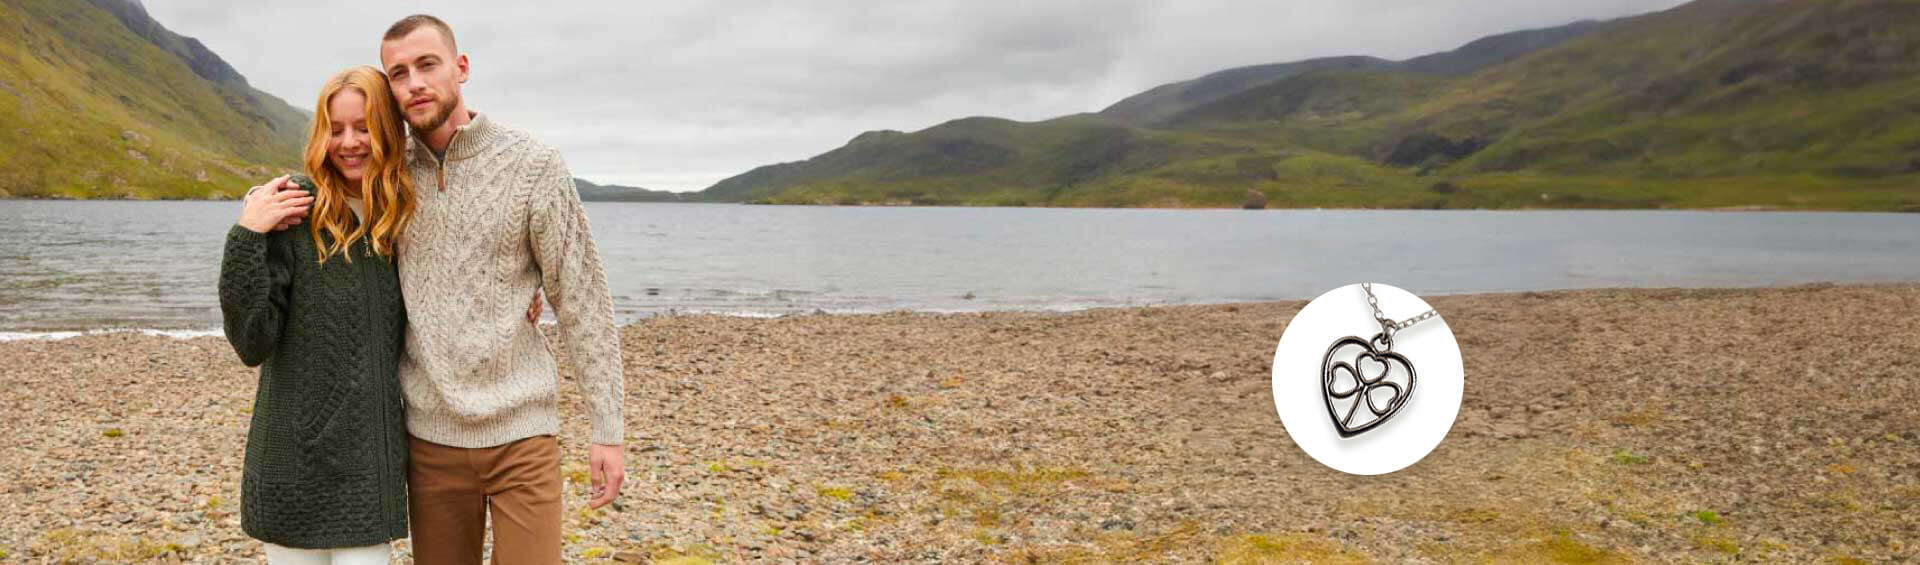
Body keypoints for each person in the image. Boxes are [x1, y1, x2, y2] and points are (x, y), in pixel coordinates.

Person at [378, 14, 628, 564]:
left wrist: (607, 428)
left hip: (523, 436)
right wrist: (258, 215)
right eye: (398, 73)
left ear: (461, 67)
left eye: (427, 64)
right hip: (430, 441)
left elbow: (581, 298)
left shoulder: (533, 164)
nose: (414, 83)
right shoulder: (386, 174)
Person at [217, 65, 416, 565]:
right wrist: (247, 236)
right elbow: (251, 342)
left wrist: (526, 291)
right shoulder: (292, 210)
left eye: (364, 127)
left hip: (369, 464)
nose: (349, 143)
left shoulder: (406, 213)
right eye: (336, 128)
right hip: (290, 460)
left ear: (388, 130)